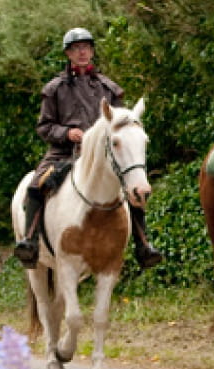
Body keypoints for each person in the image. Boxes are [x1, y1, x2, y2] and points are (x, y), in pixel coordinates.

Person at [14, 27, 163, 269]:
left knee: (132, 187)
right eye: (76, 48)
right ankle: (30, 242)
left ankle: (143, 244)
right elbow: (44, 127)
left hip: (103, 157)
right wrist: (66, 133)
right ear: (68, 54)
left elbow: (121, 126)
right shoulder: (54, 89)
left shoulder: (109, 88)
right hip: (63, 153)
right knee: (35, 185)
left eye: (86, 47)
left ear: (92, 51)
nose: (82, 52)